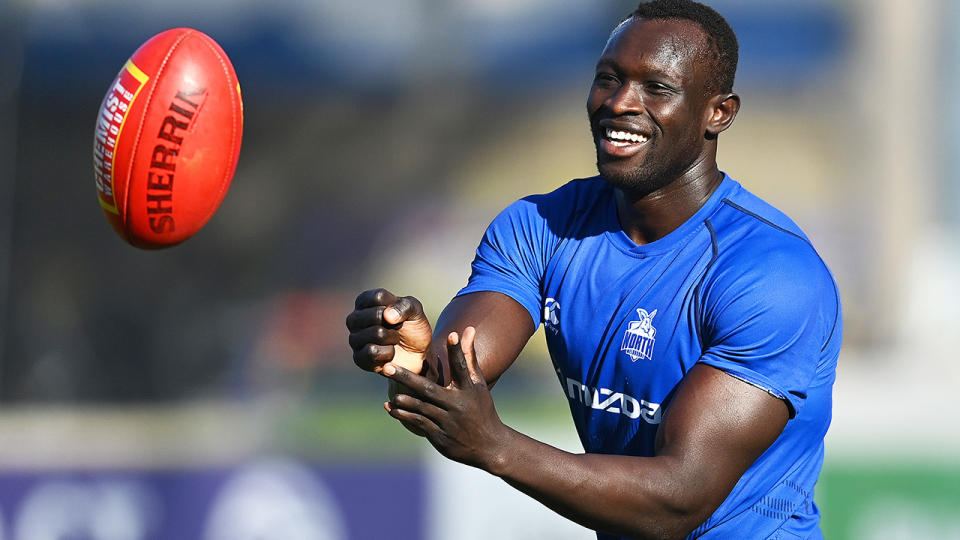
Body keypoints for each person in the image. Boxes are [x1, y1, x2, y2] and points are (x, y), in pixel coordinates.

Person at [345, 0, 841, 538]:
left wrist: (497, 446)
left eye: (657, 87)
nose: (621, 102)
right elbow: (455, 391)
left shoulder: (771, 274)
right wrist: (417, 367)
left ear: (718, 113)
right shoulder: (540, 226)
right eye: (608, 78)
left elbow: (680, 500)